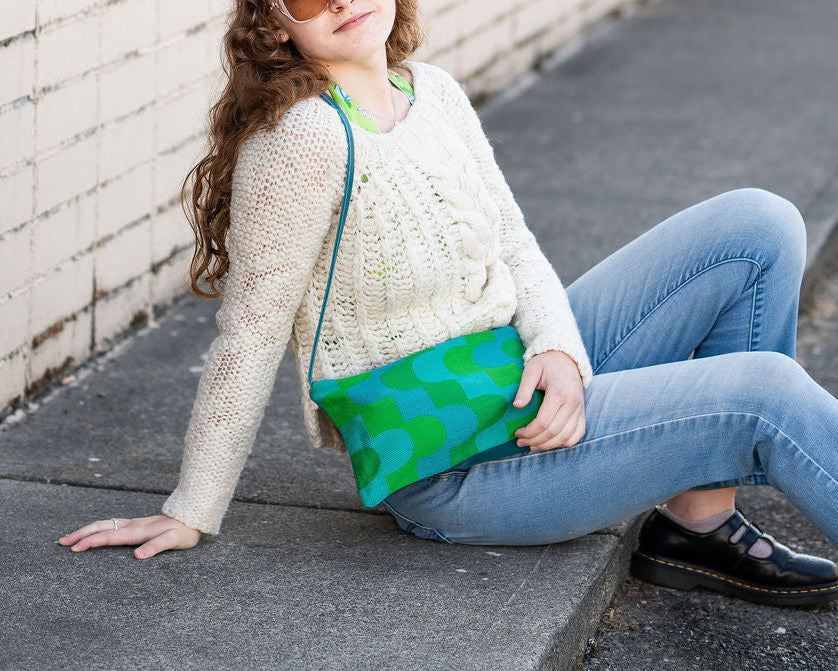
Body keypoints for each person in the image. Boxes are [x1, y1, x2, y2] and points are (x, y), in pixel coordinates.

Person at [58, 0, 838, 607]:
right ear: (275, 23)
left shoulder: (432, 91)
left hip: (511, 374)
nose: (342, 1)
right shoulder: (300, 140)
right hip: (456, 464)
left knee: (760, 224)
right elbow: (249, 332)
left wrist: (558, 351)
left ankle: (699, 524)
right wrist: (191, 507)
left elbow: (514, 243)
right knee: (762, 395)